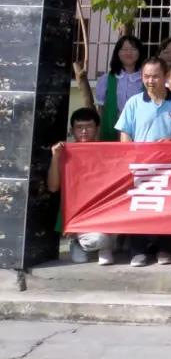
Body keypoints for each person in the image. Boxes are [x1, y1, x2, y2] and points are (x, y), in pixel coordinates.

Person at [116, 56, 171, 266]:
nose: (150, 81)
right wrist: (129, 156)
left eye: (155, 76)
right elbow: (125, 132)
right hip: (140, 167)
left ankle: (165, 249)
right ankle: (138, 250)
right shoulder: (134, 102)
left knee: (167, 207)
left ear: (166, 76)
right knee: (139, 207)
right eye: (146, 76)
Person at [49, 108, 113, 265]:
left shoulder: (109, 152)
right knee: (97, 240)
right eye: (79, 127)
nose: (84, 131)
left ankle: (105, 246)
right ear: (72, 130)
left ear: (97, 128)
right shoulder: (64, 153)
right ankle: (79, 241)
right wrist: (55, 158)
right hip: (80, 216)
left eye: (89, 126)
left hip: (105, 212)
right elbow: (53, 187)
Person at [95, 35, 147, 142]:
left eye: (133, 49)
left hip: (140, 128)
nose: (129, 53)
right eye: (124, 49)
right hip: (112, 127)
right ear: (117, 53)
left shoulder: (146, 78)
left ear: (140, 52)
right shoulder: (107, 79)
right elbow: (101, 110)